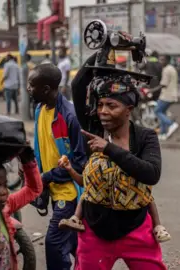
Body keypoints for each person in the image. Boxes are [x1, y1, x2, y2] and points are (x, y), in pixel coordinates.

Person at [69, 64, 167, 269]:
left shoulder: (144, 137)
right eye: (101, 104)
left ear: (128, 110)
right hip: (94, 232)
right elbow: (78, 84)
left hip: (137, 228)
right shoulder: (92, 131)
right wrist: (105, 48)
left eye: (112, 106)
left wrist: (109, 149)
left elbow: (151, 174)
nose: (103, 111)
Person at [27, 63, 87, 270]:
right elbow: (41, 147)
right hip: (53, 188)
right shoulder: (40, 109)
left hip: (69, 193)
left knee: (54, 242)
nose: (28, 88)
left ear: (45, 89)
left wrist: (46, 177)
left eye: (31, 85)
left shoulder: (70, 116)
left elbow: (80, 162)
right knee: (72, 243)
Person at [57, 155, 171, 243]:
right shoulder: (95, 157)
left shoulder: (133, 151)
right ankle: (75, 218)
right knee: (87, 193)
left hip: (131, 207)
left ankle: (158, 227)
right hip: (100, 213)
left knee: (146, 195)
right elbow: (84, 182)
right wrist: (70, 169)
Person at [152, 55, 179, 140]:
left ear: (167, 60)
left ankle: (171, 124)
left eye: (162, 60)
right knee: (162, 113)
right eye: (160, 59)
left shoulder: (166, 70)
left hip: (166, 96)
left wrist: (151, 90)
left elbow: (163, 84)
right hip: (172, 95)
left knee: (157, 111)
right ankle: (163, 133)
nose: (160, 61)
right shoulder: (171, 68)